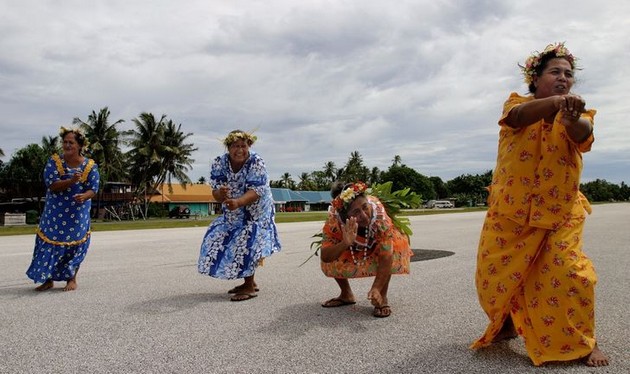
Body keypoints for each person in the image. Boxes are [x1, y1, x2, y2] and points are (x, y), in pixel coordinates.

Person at [470, 43, 609, 367]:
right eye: (555, 72)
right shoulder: (516, 104)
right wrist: (556, 103)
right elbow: (517, 118)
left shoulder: (579, 113)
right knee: (491, 278)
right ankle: (505, 323)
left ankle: (586, 342)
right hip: (510, 213)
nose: (563, 78)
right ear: (536, 78)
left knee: (572, 273)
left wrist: (569, 115)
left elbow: (582, 133)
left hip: (560, 212)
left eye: (568, 74)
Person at [197, 130, 281, 301]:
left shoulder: (256, 162)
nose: (240, 150)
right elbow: (216, 192)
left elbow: (256, 190)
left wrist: (239, 202)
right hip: (233, 210)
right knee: (215, 236)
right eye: (236, 146)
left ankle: (249, 286)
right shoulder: (219, 163)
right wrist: (220, 193)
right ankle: (249, 282)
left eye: (244, 146)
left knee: (247, 241)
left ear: (249, 146)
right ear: (228, 147)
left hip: (257, 211)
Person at [319, 181, 413, 318]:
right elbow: (325, 256)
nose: (364, 215)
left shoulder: (380, 216)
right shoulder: (334, 220)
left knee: (390, 251)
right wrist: (344, 243)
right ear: (345, 216)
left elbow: (386, 255)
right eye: (356, 212)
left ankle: (382, 297)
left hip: (376, 242)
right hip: (351, 240)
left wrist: (376, 288)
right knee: (335, 253)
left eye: (365, 207)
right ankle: (346, 294)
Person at [26, 127, 100, 292]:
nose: (67, 145)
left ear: (79, 145)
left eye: (71, 142)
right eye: (65, 142)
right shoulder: (54, 162)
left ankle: (72, 279)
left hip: (77, 214)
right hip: (54, 213)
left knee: (74, 246)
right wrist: (72, 181)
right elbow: (52, 185)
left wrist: (84, 196)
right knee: (49, 243)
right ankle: (48, 280)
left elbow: (93, 189)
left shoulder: (90, 166)